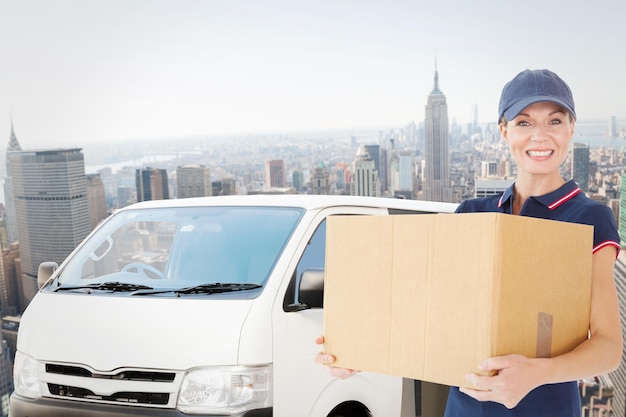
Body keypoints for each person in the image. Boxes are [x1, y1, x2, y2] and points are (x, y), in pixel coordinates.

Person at [315, 68, 623, 416]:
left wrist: (536, 373)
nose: (540, 136)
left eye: (554, 121)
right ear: (504, 131)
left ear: (571, 129)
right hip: (465, 408)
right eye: (524, 123)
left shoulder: (589, 218)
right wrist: (357, 351)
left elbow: (608, 348)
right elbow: (431, 314)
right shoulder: (473, 212)